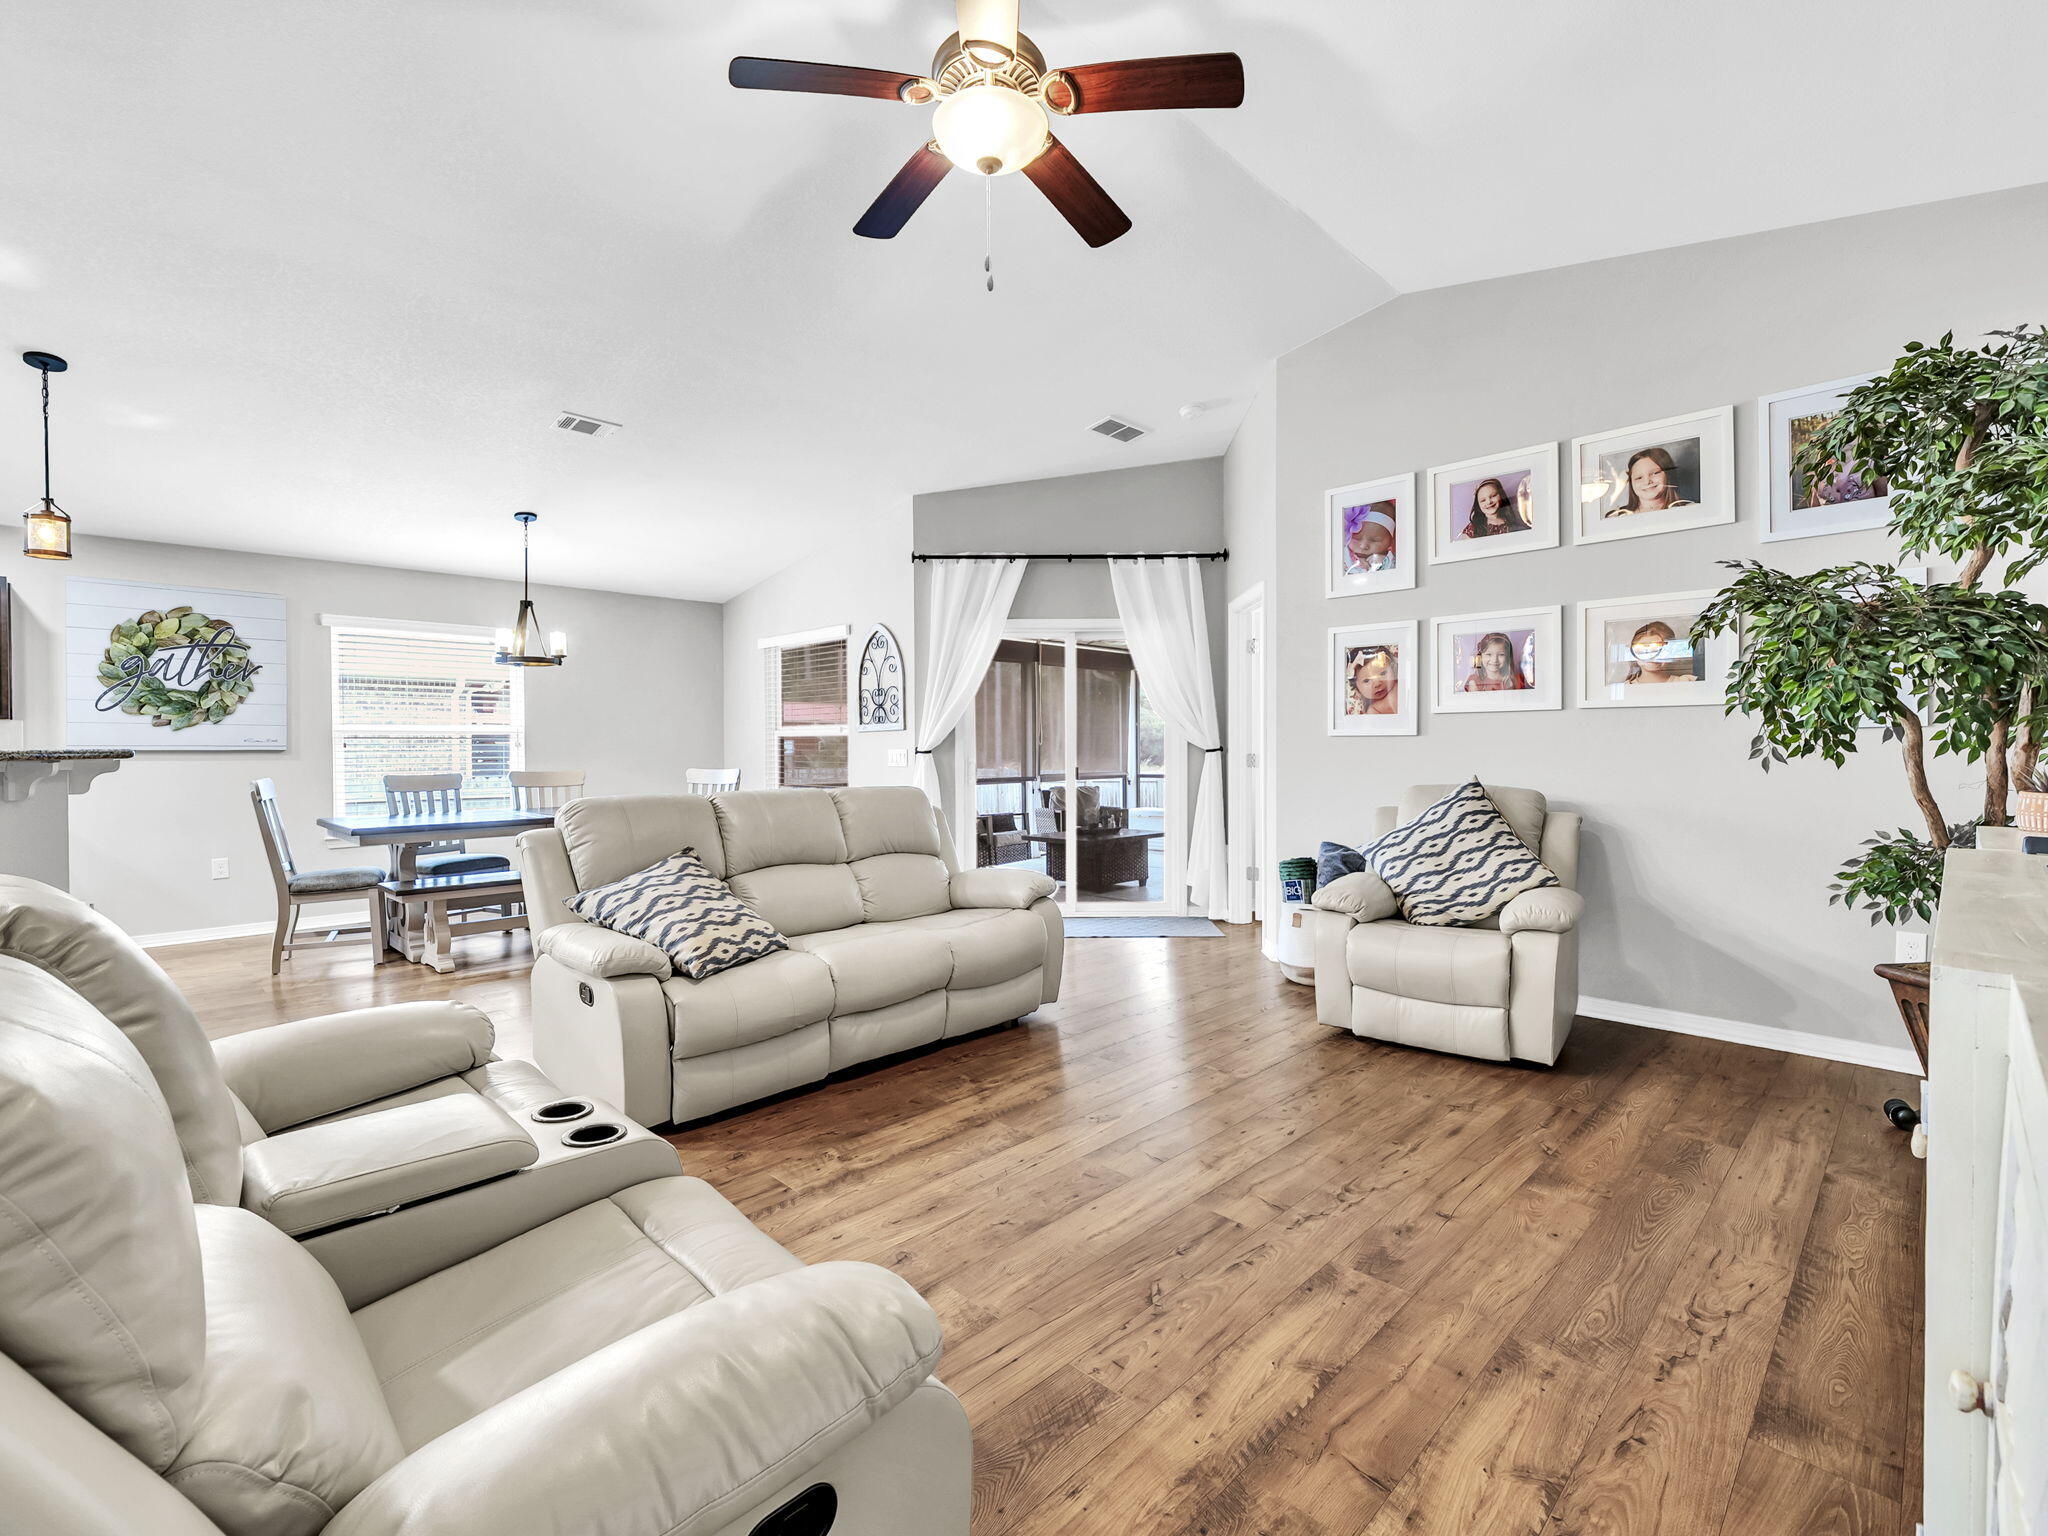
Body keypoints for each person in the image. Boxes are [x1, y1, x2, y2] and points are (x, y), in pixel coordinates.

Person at [1605, 445, 1695, 517]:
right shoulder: (1616, 517)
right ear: (1631, 482)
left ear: (1668, 475)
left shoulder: (1692, 510)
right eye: (1639, 477)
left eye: (1655, 473)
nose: (1647, 482)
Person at [1623, 620, 1698, 684]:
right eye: (1642, 650)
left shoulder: (1685, 682)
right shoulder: (1627, 687)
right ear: (1633, 652)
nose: (1651, 657)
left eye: (1659, 649)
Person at [1464, 478, 1531, 539]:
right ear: (1478, 505)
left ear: (1501, 496)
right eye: (1483, 500)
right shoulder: (1473, 528)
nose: (1489, 502)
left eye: (1493, 496)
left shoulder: (1515, 525)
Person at [1461, 632, 1527, 692]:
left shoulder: (1516, 680)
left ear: (1507, 657)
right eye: (1489, 654)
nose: (1494, 660)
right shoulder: (1474, 682)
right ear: (1480, 656)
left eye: (1501, 654)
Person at [1346, 645, 1400, 715]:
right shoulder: (1373, 710)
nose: (1377, 683)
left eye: (1383, 673)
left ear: (1393, 669)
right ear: (1357, 689)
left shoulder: (1398, 686)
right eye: (1367, 680)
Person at [1344, 504, 1398, 573]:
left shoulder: (1391, 560)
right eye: (1356, 538)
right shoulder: (1343, 555)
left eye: (1375, 540)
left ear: (1391, 542)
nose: (1363, 546)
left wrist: (1383, 563)